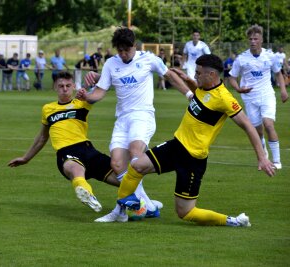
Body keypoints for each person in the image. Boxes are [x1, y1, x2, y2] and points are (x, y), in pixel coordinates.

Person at [115, 54, 276, 227]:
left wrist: (262, 157)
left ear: (212, 75)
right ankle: (118, 211)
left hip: (193, 159)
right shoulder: (203, 87)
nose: (195, 76)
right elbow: (199, 94)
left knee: (185, 212)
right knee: (137, 166)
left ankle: (232, 221)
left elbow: (248, 126)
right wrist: (187, 79)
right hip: (176, 145)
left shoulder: (224, 99)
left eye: (198, 73)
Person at [76, 27, 192, 222]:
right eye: (119, 50)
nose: (122, 54)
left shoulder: (148, 58)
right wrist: (87, 96)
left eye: (126, 50)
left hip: (143, 115)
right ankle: (147, 205)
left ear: (134, 46)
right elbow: (99, 92)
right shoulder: (111, 64)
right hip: (122, 119)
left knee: (136, 153)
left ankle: (120, 209)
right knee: (117, 164)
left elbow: (170, 75)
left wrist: (189, 95)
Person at [8, 71, 125, 213]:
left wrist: (94, 80)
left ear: (74, 86)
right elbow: (42, 138)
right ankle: (87, 195)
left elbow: (102, 88)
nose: (64, 88)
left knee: (124, 179)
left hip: (88, 150)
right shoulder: (48, 109)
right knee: (76, 170)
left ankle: (145, 204)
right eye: (61, 86)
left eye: (68, 85)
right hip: (66, 152)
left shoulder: (82, 102)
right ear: (55, 88)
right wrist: (26, 158)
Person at [229, 24, 288, 170]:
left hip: (267, 94)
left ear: (261, 39)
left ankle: (277, 161)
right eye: (250, 39)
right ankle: (263, 155)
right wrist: (238, 89)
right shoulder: (241, 59)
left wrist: (283, 90)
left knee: (268, 124)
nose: (253, 41)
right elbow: (232, 77)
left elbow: (278, 73)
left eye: (255, 38)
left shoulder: (270, 56)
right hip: (249, 98)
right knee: (258, 131)